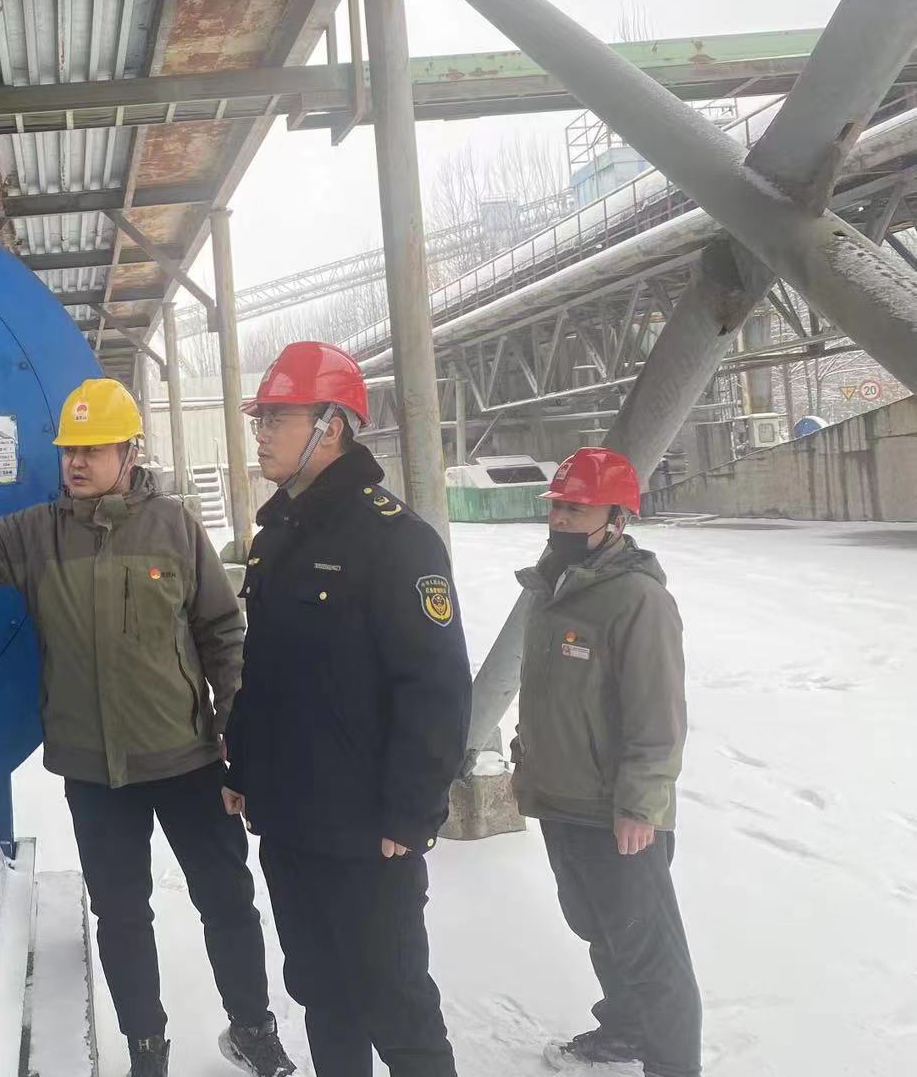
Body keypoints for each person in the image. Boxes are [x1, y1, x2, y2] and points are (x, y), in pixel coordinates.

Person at [0, 378, 295, 1077]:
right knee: (121, 914)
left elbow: (222, 635)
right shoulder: (37, 533)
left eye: (93, 449)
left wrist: (239, 737)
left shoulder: (174, 527)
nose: (76, 462)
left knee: (226, 900)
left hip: (187, 758)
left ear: (129, 452)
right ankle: (146, 1050)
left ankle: (254, 1030)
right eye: (69, 450)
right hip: (93, 770)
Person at [224, 341, 470, 1077]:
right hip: (291, 821)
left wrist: (411, 813)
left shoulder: (396, 540)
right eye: (260, 419)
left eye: (277, 418)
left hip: (366, 832)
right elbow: (264, 670)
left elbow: (435, 686)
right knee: (321, 994)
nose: (261, 433)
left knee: (396, 1006)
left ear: (330, 426)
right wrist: (243, 765)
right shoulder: (278, 537)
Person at [512, 447, 701, 1076]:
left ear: (617, 521)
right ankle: (625, 1033)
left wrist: (640, 806)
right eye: (557, 507)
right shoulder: (554, 588)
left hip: (615, 811)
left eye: (577, 510)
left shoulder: (638, 600)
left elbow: (658, 715)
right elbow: (548, 695)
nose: (560, 520)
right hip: (561, 800)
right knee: (599, 929)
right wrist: (526, 764)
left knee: (652, 956)